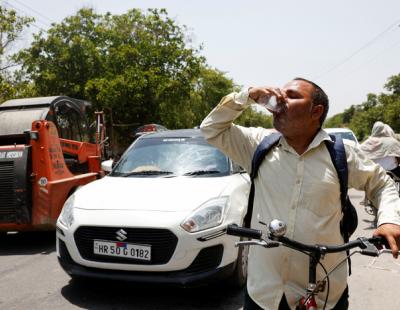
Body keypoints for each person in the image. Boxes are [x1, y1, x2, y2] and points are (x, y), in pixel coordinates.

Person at [200, 78, 400, 310]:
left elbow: (380, 183)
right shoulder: (257, 145)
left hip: (326, 291)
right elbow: (211, 128)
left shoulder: (341, 153)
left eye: (292, 96)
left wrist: (389, 220)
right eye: (280, 94)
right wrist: (247, 96)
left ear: (316, 111)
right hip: (265, 292)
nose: (280, 100)